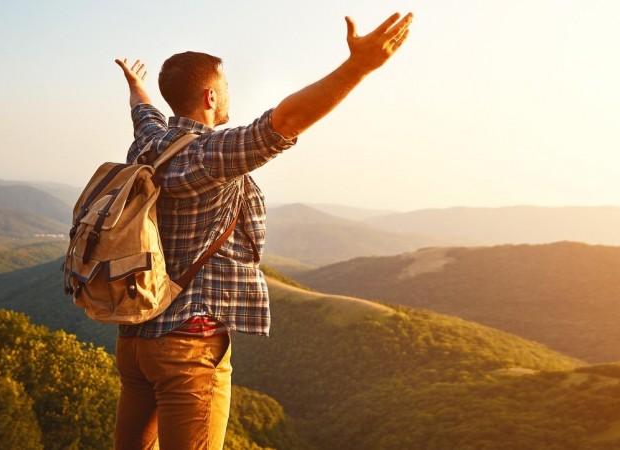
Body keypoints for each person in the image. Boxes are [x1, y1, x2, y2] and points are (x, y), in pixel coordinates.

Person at [111, 12, 413, 449]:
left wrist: (137, 87)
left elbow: (144, 114)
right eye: (228, 85)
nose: (233, 91)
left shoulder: (151, 143)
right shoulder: (209, 155)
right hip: (187, 346)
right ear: (210, 96)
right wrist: (358, 67)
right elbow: (284, 122)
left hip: (135, 342)